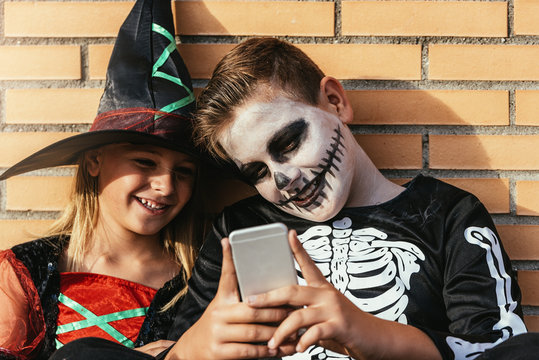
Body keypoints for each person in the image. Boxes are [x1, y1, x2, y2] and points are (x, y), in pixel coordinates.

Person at [161, 37, 529, 360]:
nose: (283, 179)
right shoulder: (239, 229)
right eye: (257, 173)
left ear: (335, 103)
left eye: (289, 143)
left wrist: (371, 334)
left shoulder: (446, 216)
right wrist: (191, 348)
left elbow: (503, 347)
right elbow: (173, 345)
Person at [0, 0, 208, 358]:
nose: (166, 186)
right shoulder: (25, 273)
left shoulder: (201, 285)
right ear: (94, 161)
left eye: (184, 171)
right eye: (144, 161)